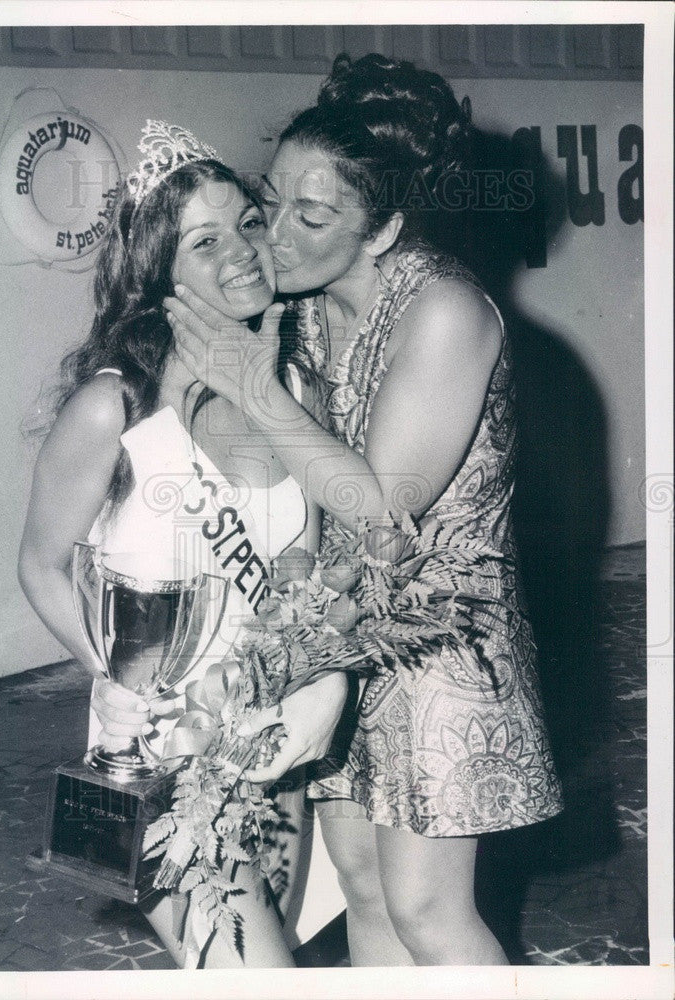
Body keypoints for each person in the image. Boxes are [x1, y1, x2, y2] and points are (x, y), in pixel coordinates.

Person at [164, 54, 565, 966]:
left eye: (312, 217)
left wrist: (256, 392)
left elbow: (386, 515)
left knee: (428, 908)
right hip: (340, 627)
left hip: (441, 644)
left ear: (382, 227)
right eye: (272, 202)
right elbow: (304, 500)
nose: (272, 235)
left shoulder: (446, 311)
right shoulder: (304, 310)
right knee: (363, 888)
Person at [18, 121, 342, 968]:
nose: (241, 251)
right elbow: (40, 564)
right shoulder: (112, 409)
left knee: (272, 953)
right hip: (163, 752)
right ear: (156, 272)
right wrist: (110, 674)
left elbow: (301, 556)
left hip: (268, 737)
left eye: (245, 223)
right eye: (203, 241)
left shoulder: (292, 386)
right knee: (257, 973)